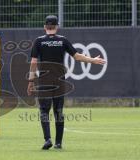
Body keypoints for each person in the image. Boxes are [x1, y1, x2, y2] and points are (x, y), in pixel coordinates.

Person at [27, 15, 106, 150]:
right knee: (58, 111)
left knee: (44, 111)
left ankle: (48, 139)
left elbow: (34, 62)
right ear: (57, 26)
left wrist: (31, 80)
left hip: (44, 81)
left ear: (45, 27)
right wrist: (92, 60)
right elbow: (77, 57)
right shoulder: (63, 40)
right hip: (59, 80)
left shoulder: (38, 41)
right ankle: (58, 143)